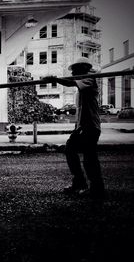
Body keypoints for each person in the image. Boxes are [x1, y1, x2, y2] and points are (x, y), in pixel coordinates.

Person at [43, 57, 105, 200]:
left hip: (91, 127)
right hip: (82, 127)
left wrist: (55, 79)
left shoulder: (90, 79)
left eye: (75, 70)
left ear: (83, 68)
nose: (73, 73)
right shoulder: (82, 85)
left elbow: (71, 83)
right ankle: (79, 182)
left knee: (90, 159)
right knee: (70, 149)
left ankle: (96, 188)